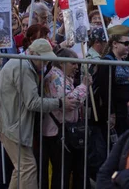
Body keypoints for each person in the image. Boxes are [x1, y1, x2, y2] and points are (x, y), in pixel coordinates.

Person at [0, 39, 79, 188]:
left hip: (8, 120)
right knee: (28, 166)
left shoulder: (24, 64)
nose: (46, 63)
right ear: (34, 54)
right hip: (9, 122)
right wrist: (60, 102)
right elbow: (33, 102)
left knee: (22, 167)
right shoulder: (23, 68)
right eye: (44, 59)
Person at [42, 48, 91, 189]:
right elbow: (69, 103)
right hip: (58, 133)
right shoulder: (55, 78)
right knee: (61, 171)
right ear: (62, 63)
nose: (76, 67)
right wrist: (84, 86)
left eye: (77, 63)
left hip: (64, 131)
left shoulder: (61, 76)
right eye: (73, 63)